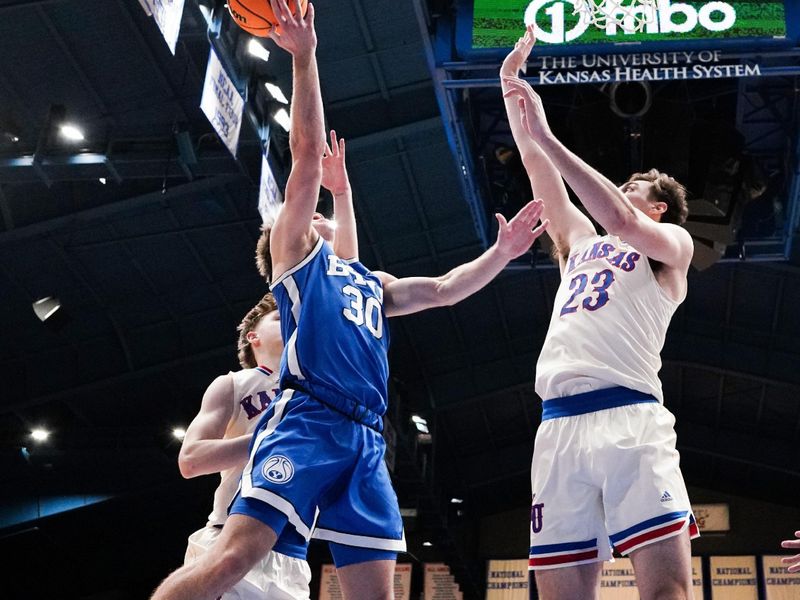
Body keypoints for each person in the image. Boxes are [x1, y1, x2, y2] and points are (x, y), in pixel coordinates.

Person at [150, 1, 548, 598]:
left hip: (365, 436)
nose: (321, 215)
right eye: (313, 212)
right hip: (307, 419)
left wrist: (502, 253)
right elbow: (306, 154)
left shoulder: (366, 282)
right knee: (230, 563)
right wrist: (305, 58)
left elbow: (442, 291)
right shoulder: (298, 261)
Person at [501, 26, 698, 599]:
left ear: (660, 207)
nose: (622, 186)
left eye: (634, 185)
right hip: (558, 425)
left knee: (666, 592)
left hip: (630, 418)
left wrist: (549, 135)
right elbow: (539, 168)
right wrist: (514, 93)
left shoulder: (671, 246)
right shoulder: (577, 244)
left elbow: (622, 222)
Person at [179, 294, 311, 599]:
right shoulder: (234, 384)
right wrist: (267, 438)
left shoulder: (319, 390)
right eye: (280, 319)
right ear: (254, 337)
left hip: (291, 551)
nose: (292, 324)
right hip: (230, 532)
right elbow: (191, 460)